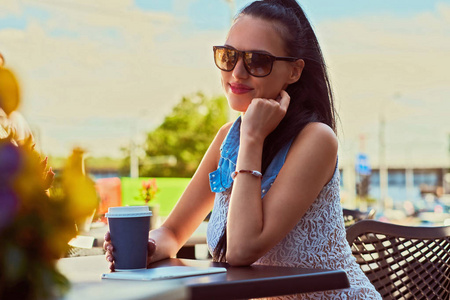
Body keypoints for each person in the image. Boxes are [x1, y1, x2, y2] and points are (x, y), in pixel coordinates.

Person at [105, 0, 381, 298]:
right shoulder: (228, 138)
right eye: (228, 56)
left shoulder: (316, 139)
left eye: (257, 61)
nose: (237, 72)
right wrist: (148, 247)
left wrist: (252, 137)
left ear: (294, 71)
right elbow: (173, 232)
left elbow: (241, 249)